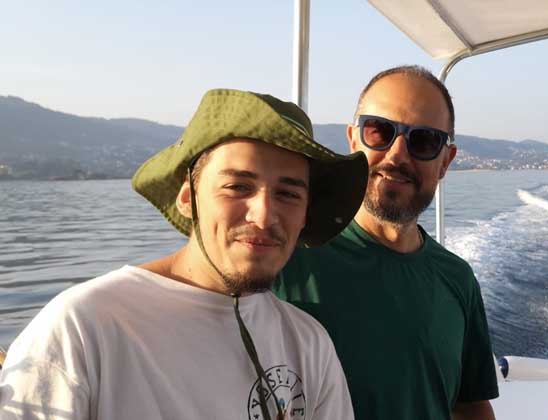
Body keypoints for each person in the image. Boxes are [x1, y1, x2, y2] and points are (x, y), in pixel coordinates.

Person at [0, 89, 368, 420]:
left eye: (288, 194)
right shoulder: (85, 326)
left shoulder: (308, 342)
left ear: (304, 215)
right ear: (188, 199)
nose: (264, 216)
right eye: (238, 186)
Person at [275, 66, 499, 420]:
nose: (397, 155)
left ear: (445, 161)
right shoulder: (287, 259)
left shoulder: (457, 279)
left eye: (424, 141)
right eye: (379, 131)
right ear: (353, 139)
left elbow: (470, 405)